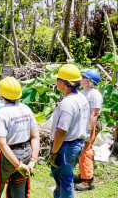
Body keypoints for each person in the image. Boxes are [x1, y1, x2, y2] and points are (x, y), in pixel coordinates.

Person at [0, 76, 40, 198]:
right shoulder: (26, 109)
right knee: (18, 188)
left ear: (1, 95)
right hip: (26, 153)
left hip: (8, 156)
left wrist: (17, 164)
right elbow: (35, 136)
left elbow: (2, 143)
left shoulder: (2, 113)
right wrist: (32, 160)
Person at [49, 64, 90, 198]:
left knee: (64, 180)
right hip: (76, 144)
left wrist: (53, 152)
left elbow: (61, 131)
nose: (56, 82)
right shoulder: (81, 97)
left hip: (65, 147)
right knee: (64, 179)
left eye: (58, 80)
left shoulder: (67, 104)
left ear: (63, 83)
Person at [75, 69, 103, 191]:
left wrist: (88, 129)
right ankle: (82, 174)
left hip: (89, 125)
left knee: (86, 150)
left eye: (84, 77)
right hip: (82, 124)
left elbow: (95, 113)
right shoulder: (83, 92)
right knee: (81, 150)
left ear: (89, 81)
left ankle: (87, 179)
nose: (81, 78)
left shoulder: (94, 94)